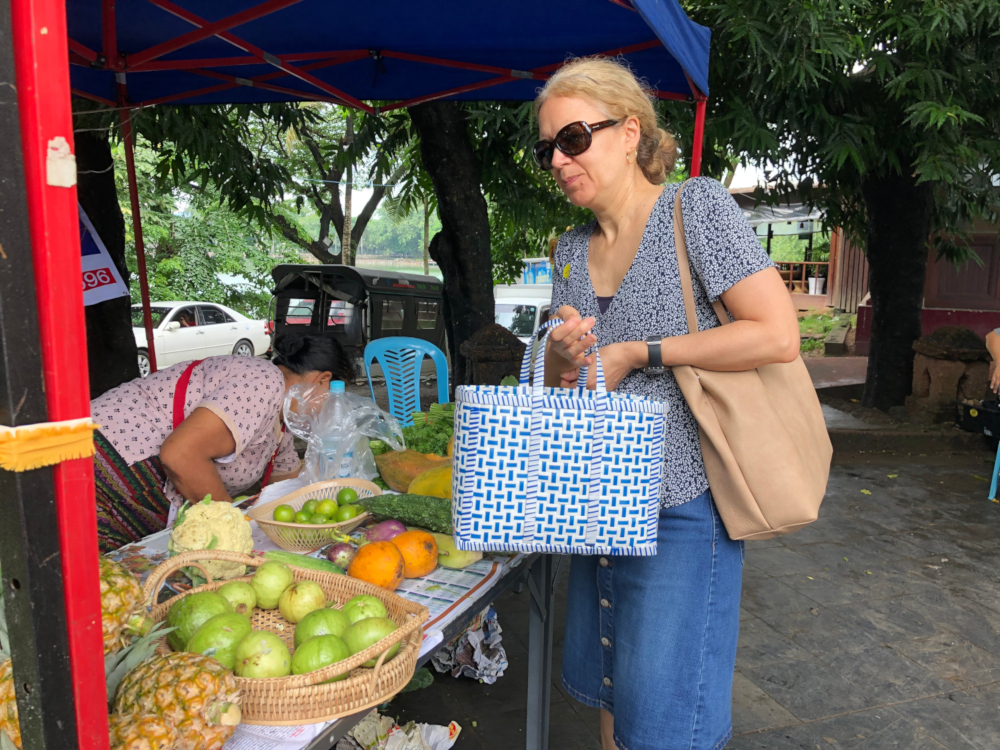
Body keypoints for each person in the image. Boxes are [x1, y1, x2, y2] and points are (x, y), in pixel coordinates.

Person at [536, 57, 800, 750]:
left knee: (667, 721)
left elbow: (776, 335)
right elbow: (563, 387)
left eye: (573, 139)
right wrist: (561, 362)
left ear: (629, 132)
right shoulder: (568, 251)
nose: (559, 162)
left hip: (684, 507)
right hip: (597, 503)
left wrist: (640, 352)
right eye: (548, 150)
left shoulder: (696, 209)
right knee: (614, 700)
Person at [90, 334, 355, 553]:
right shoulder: (263, 381)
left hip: (134, 494)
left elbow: (289, 485)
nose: (326, 413)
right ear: (323, 381)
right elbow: (181, 454)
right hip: (102, 467)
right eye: (331, 402)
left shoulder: (281, 425)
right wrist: (232, 534)